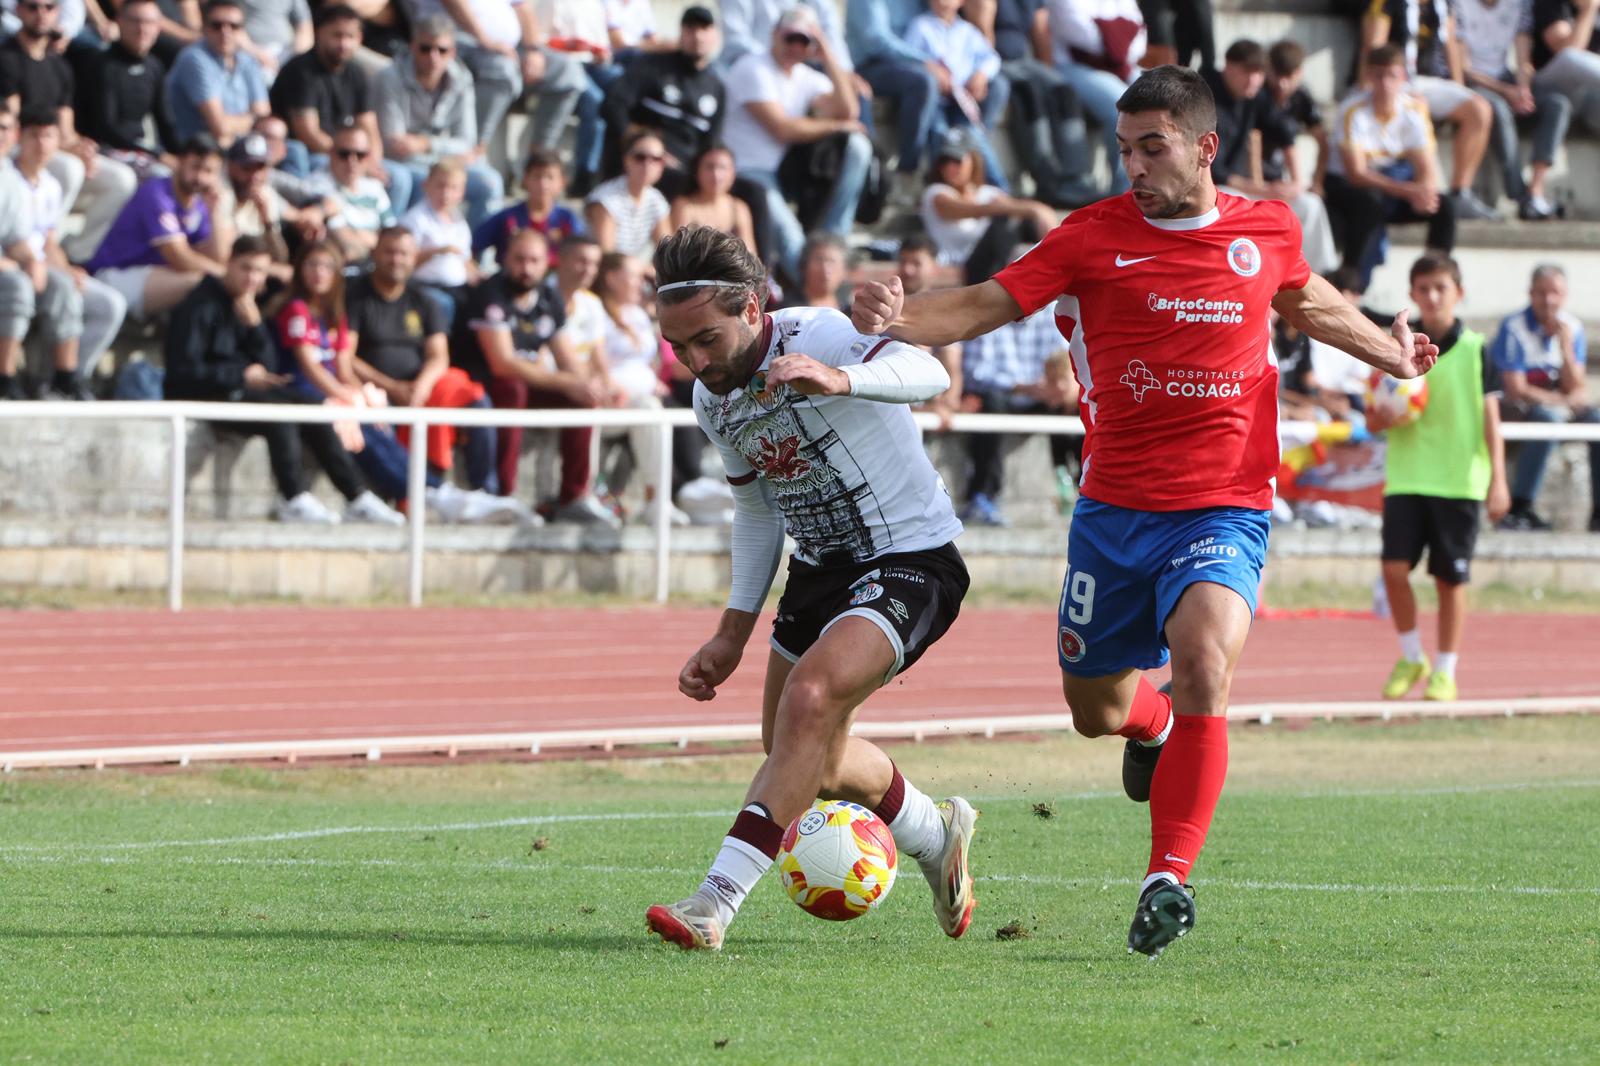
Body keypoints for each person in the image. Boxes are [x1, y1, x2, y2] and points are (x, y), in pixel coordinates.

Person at [850, 65, 1443, 957]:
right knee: (1096, 709)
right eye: (1124, 148)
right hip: (1113, 511)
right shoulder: (1090, 237)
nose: (1133, 165)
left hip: (1225, 504)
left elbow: (1305, 295)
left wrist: (1387, 353)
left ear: (1205, 148)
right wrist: (896, 317)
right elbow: (979, 306)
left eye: (1152, 147)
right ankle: (1153, 726)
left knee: (1204, 663)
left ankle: (1167, 878)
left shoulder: (1265, 228)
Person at [644, 224, 976, 953]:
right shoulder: (713, 400)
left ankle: (713, 903)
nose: (695, 361)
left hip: (911, 557)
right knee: (801, 755)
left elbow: (929, 374)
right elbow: (757, 509)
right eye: (678, 346)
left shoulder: (820, 335)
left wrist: (840, 378)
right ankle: (935, 832)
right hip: (819, 573)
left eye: (706, 339)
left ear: (752, 308)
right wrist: (731, 633)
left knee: (811, 700)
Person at [163, 235, 398, 525]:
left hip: (240, 391)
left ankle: (356, 496)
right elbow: (182, 372)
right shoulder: (199, 305)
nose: (252, 278)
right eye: (246, 268)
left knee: (312, 405)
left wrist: (255, 327)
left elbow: (270, 366)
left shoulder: (248, 306)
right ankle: (293, 497)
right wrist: (239, 375)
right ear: (229, 263)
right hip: (206, 395)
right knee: (279, 414)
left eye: (260, 271)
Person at [1376, 253, 1508, 701]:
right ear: (1412, 294)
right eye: (1424, 288)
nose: (1432, 296)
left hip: (1458, 479)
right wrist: (1382, 416)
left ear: (1458, 293)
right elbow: (1375, 414)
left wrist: (1498, 480)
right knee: (1393, 570)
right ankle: (1412, 656)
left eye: (1441, 288)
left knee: (1450, 579)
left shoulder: (1477, 348)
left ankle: (1446, 670)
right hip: (1407, 475)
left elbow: (1491, 420)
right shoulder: (1396, 348)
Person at [347, 226, 529, 524]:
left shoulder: (424, 299)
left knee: (476, 401)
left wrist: (420, 386)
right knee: (362, 420)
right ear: (375, 254)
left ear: (414, 257)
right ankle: (429, 493)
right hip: (373, 390)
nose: (396, 259)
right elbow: (346, 356)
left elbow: (438, 355)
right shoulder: (354, 297)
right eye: (389, 252)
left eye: (404, 253)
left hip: (421, 387)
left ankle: (486, 493)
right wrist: (391, 387)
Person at [452, 228, 616, 526]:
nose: (526, 268)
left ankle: (574, 497)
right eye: (519, 259)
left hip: (527, 383)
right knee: (513, 388)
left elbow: (568, 358)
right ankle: (505, 495)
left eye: (534, 261)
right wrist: (569, 382)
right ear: (505, 259)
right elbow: (503, 364)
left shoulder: (548, 297)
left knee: (582, 399)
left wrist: (587, 385)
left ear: (546, 263)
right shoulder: (490, 294)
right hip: (482, 385)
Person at [722, 7, 870, 282]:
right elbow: (782, 129)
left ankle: (832, 242)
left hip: (787, 171)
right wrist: (837, 126)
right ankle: (814, 289)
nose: (795, 46)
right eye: (790, 38)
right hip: (748, 171)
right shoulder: (752, 67)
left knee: (858, 146)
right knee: (791, 236)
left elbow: (848, 111)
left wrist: (827, 55)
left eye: (804, 40)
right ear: (774, 35)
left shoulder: (807, 75)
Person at [0, 0, 139, 262]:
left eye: (49, 7)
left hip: (53, 145)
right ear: (18, 11)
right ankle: (42, 244)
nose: (41, 14)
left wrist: (81, 148)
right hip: (20, 145)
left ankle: (75, 253)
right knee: (69, 168)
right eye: (33, 7)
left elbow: (67, 127)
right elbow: (11, 121)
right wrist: (65, 148)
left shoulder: (60, 66)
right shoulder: (6, 58)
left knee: (121, 180)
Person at [12, 105, 127, 395]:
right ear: (19, 137)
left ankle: (73, 380)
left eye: (48, 136)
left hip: (43, 267)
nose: (41, 144)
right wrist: (45, 269)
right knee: (62, 288)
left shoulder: (51, 186)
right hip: (17, 267)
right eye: (34, 136)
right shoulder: (7, 180)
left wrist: (66, 269)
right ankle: (60, 378)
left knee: (110, 305)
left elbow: (49, 242)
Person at [1322, 45, 1457, 290]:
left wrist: (1425, 193)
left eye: (1391, 76)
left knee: (1443, 206)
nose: (1385, 83)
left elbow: (1426, 165)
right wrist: (1409, 191)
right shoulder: (1352, 111)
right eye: (1378, 75)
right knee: (1368, 205)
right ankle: (1352, 285)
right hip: (1349, 187)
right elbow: (1356, 173)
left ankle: (1436, 275)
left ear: (1402, 77)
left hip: (1392, 184)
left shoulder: (1413, 110)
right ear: (1368, 76)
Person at [1201, 39, 1339, 274]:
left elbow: (1283, 131)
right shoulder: (1206, 97)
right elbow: (1213, 169)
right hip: (1216, 189)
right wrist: (1263, 189)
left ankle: (1321, 278)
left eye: (1259, 73)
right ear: (1228, 67)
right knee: (1232, 203)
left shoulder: (1255, 95)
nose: (1253, 80)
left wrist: (1296, 182)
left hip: (1250, 187)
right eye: (1247, 71)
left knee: (1309, 204)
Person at [1361, 0, 1499, 219]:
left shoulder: (1443, 4)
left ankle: (1460, 192)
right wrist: (1369, 87)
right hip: (1394, 80)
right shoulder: (1386, 3)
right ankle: (1423, 194)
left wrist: (1458, 86)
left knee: (1480, 109)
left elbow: (1450, 44)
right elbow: (1374, 49)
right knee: (1418, 109)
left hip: (1431, 80)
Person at [1488, 264, 1599, 531]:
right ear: (1531, 293)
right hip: (1519, 408)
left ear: (1565, 295)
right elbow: (1516, 388)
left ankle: (1598, 512)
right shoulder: (1514, 327)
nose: (1548, 300)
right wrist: (1563, 401)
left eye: (1555, 293)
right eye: (1541, 292)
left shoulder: (1572, 328)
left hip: (1555, 405)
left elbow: (1577, 386)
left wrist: (1566, 349)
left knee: (1596, 419)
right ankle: (1521, 507)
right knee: (1548, 418)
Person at [270, 4, 411, 211]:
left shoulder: (357, 73)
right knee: (319, 165)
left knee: (399, 178)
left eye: (350, 36)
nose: (344, 43)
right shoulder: (301, 71)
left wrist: (370, 161)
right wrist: (352, 159)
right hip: (314, 156)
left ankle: (386, 229)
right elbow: (308, 134)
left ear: (359, 38)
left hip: (350, 156)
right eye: (337, 35)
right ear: (319, 33)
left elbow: (369, 127)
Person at [411, 0, 588, 157]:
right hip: (454, 44)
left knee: (568, 72)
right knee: (501, 69)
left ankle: (539, 161)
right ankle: (474, 151)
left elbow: (522, 6)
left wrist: (533, 50)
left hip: (507, 49)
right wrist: (486, 40)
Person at [85, 134, 232, 320]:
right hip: (113, 274)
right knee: (203, 283)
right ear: (180, 161)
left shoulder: (200, 204)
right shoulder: (157, 193)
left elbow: (218, 257)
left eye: (209, 171)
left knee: (212, 284)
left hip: (150, 275)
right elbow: (178, 256)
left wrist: (215, 212)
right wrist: (225, 276)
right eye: (195, 167)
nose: (200, 177)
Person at [375, 16, 504, 228]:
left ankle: (476, 248)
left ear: (452, 52)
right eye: (425, 49)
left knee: (489, 182)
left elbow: (467, 142)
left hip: (442, 163)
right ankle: (399, 243)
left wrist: (425, 144)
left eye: (441, 50)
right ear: (413, 47)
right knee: (423, 183)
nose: (433, 56)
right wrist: (451, 153)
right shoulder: (390, 77)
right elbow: (395, 145)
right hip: (407, 165)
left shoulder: (462, 78)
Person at [592, 252, 689, 526]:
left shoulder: (638, 315)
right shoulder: (595, 311)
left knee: (657, 411)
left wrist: (652, 381)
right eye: (635, 276)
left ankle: (660, 502)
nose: (642, 284)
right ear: (612, 278)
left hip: (641, 403)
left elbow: (646, 361)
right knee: (650, 410)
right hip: (606, 404)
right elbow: (591, 362)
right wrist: (613, 387)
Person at [1456, 0, 1572, 219]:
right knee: (1499, 109)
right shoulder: (1458, 5)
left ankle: (1535, 192)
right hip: (1474, 83)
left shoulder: (1519, 5)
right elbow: (1463, 67)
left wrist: (1522, 89)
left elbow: (1523, 60)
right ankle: (1519, 193)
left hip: (1506, 80)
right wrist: (1506, 91)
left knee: (1557, 104)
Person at [980, 0, 1100, 205]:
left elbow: (1040, 33)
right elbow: (982, 37)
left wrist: (1048, 76)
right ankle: (1047, 182)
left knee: (1063, 90)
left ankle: (1076, 178)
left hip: (1024, 62)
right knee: (1029, 92)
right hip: (993, 61)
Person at [906, 0, 1012, 191]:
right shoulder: (920, 26)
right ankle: (941, 188)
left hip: (963, 102)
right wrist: (929, 69)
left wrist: (980, 75)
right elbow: (908, 56)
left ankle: (999, 190)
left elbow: (991, 57)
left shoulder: (967, 31)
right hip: (935, 101)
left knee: (975, 138)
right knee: (940, 135)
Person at [921, 139, 1058, 287]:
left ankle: (1053, 266)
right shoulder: (935, 193)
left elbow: (1018, 210)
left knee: (1025, 221)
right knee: (1005, 219)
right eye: (945, 162)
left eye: (957, 161)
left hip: (994, 258)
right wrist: (1033, 209)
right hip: (965, 267)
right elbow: (971, 210)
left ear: (972, 162)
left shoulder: (989, 192)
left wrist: (1040, 211)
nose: (950, 168)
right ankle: (1012, 277)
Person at [1046, 0, 1148, 197]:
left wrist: (1110, 35)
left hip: (1121, 65)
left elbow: (1140, 37)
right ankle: (1126, 190)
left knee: (1162, 94)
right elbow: (1078, 32)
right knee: (1123, 105)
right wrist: (1122, 32)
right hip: (1072, 67)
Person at [77, 0, 180, 183]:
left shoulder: (154, 66)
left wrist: (184, 155)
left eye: (149, 23)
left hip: (141, 148)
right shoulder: (102, 65)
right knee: (163, 176)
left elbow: (166, 121)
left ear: (158, 28)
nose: (142, 29)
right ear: (119, 21)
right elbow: (106, 127)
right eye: (135, 21)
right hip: (105, 148)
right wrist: (156, 153)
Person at [163, 0, 271, 148]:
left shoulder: (247, 59)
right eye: (217, 25)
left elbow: (264, 116)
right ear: (204, 28)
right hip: (200, 150)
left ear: (242, 30)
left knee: (290, 148)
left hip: (242, 144)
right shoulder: (195, 59)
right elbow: (220, 127)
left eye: (234, 26)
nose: (225, 32)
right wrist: (252, 120)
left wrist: (240, 124)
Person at [471, 148, 585, 271]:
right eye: (537, 176)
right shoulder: (508, 218)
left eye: (550, 177)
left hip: (554, 279)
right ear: (525, 179)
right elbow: (471, 246)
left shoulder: (567, 220)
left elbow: (582, 254)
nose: (543, 184)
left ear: (562, 182)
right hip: (511, 280)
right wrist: (473, 271)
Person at [401, 157, 480, 324]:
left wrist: (479, 276)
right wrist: (437, 252)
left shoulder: (459, 222)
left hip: (457, 288)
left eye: (453, 188)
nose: (446, 194)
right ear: (426, 185)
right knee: (444, 304)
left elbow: (465, 260)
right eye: (440, 185)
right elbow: (404, 264)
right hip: (423, 286)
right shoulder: (415, 219)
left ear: (462, 192)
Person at [584, 130, 672, 259]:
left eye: (656, 159)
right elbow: (607, 257)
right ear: (626, 159)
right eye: (640, 157)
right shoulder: (606, 199)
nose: (647, 164)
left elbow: (668, 252)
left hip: (632, 267)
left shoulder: (657, 200)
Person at [323, 122, 395, 264]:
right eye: (344, 154)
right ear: (331, 153)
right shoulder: (319, 186)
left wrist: (366, 239)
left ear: (368, 156)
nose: (352, 161)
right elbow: (346, 243)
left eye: (360, 155)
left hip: (374, 265)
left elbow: (392, 235)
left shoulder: (375, 188)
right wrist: (375, 240)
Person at [669, 144, 758, 257]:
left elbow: (750, 254)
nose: (716, 175)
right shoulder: (684, 206)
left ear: (733, 173)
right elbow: (678, 252)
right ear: (697, 171)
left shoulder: (738, 208)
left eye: (723, 168)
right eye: (710, 167)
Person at [1530, 0, 1600, 136]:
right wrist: (1589, 9)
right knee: (1569, 56)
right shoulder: (1550, 4)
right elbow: (1570, 51)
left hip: (1585, 98)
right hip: (1546, 88)